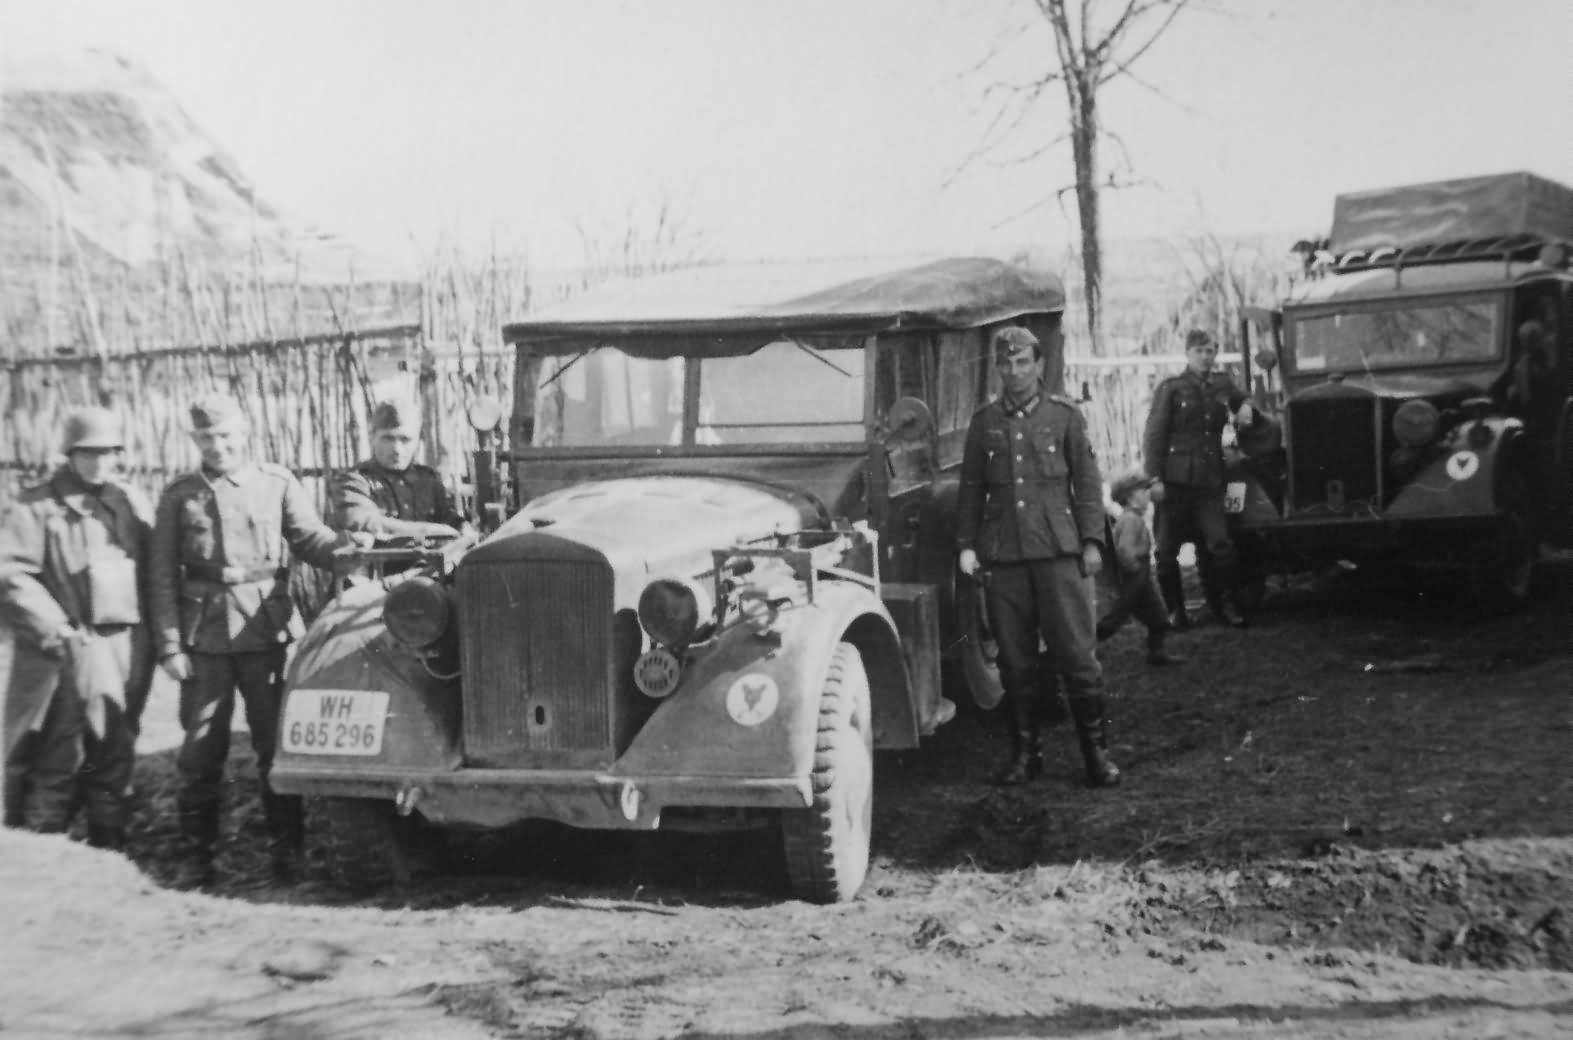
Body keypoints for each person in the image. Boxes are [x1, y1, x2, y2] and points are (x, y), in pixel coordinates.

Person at [150, 393, 368, 887]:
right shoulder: (179, 496)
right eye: (207, 437)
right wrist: (168, 646)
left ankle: (287, 851)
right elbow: (162, 576)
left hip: (265, 634)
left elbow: (310, 538)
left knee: (274, 746)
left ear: (243, 434)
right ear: (195, 440)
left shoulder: (276, 484)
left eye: (225, 435)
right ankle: (197, 855)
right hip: (203, 640)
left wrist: (346, 552)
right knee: (201, 750)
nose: (218, 446)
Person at [957, 326, 1121, 788]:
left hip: (1057, 553)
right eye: (1006, 364)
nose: (1014, 372)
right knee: (1015, 661)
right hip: (1005, 556)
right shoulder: (983, 423)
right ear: (997, 367)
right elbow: (972, 491)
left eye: (1023, 362)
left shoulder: (1064, 416)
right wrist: (967, 546)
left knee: (1076, 655)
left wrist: (1092, 542)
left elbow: (1087, 485)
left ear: (1039, 364)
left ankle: (1096, 756)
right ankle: (1026, 757)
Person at [0, 407, 154, 850]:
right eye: (88, 453)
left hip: (126, 645)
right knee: (61, 746)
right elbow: (12, 577)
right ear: (69, 453)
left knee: (116, 741)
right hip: (69, 644)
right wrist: (58, 628)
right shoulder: (37, 506)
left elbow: (152, 567)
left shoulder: (127, 501)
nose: (98, 462)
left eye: (107, 453)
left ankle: (109, 846)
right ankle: (43, 843)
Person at [1142, 328, 1257, 630]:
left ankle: (1225, 607)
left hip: (1209, 480)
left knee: (1220, 544)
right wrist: (1154, 479)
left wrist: (1244, 404)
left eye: (1210, 351)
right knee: (1166, 552)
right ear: (1188, 354)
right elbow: (1154, 435)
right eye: (1199, 351)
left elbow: (1241, 395)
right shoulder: (1172, 387)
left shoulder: (1221, 383)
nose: (1206, 357)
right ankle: (1175, 612)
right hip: (1174, 481)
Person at [331, 399, 466, 545]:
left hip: (432, 564)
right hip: (380, 566)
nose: (396, 449)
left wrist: (463, 527)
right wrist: (430, 530)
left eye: (405, 440)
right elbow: (367, 523)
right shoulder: (354, 481)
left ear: (417, 441)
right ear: (371, 437)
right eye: (388, 438)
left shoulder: (428, 480)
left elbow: (450, 518)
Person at [1096, 466, 1184, 667]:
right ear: (1130, 497)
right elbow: (1124, 549)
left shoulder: (1131, 518)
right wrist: (1134, 567)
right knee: (1116, 617)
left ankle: (1157, 653)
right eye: (1142, 492)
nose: (1147, 495)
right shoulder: (1130, 521)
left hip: (1141, 576)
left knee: (1158, 617)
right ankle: (1086, 647)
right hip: (1134, 575)